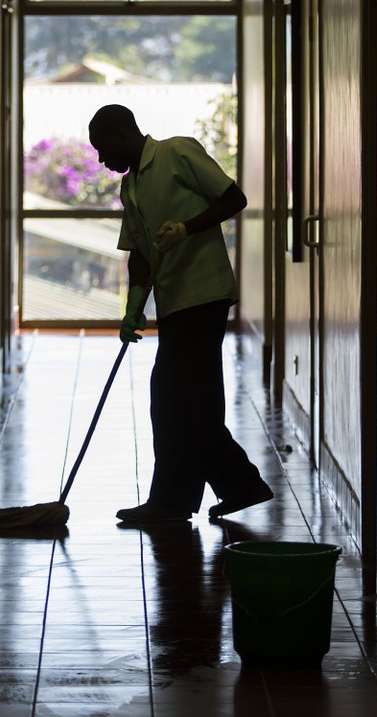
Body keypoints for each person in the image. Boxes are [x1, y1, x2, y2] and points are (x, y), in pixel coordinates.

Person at [88, 104, 273, 523]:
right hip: (173, 301)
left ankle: (186, 498)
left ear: (123, 132)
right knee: (184, 404)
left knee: (178, 403)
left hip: (203, 294)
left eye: (103, 148)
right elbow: (138, 250)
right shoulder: (130, 187)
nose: (102, 160)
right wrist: (133, 307)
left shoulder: (177, 153)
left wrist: (188, 227)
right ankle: (205, 494)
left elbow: (234, 198)